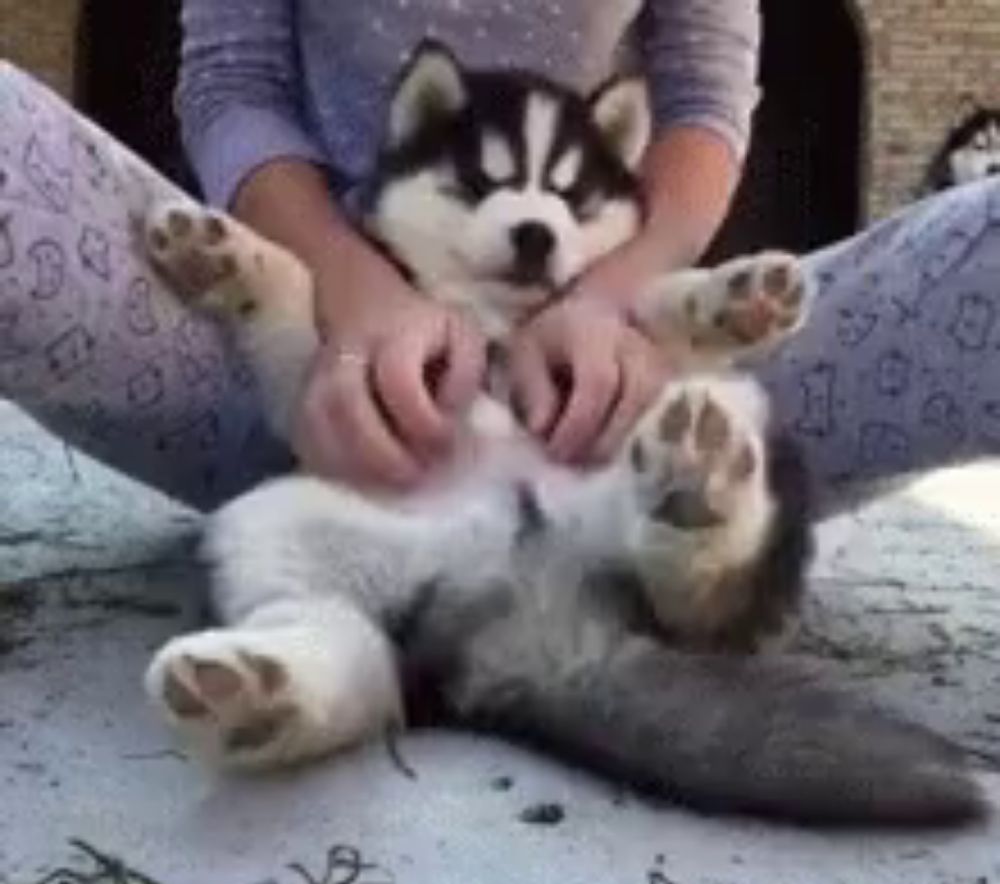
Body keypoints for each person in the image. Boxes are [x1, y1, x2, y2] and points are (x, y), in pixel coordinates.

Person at [1, 1, 999, 516]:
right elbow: (231, 81)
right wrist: (357, 304)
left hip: (627, 405)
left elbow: (704, 98)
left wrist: (616, 306)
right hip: (287, 364)